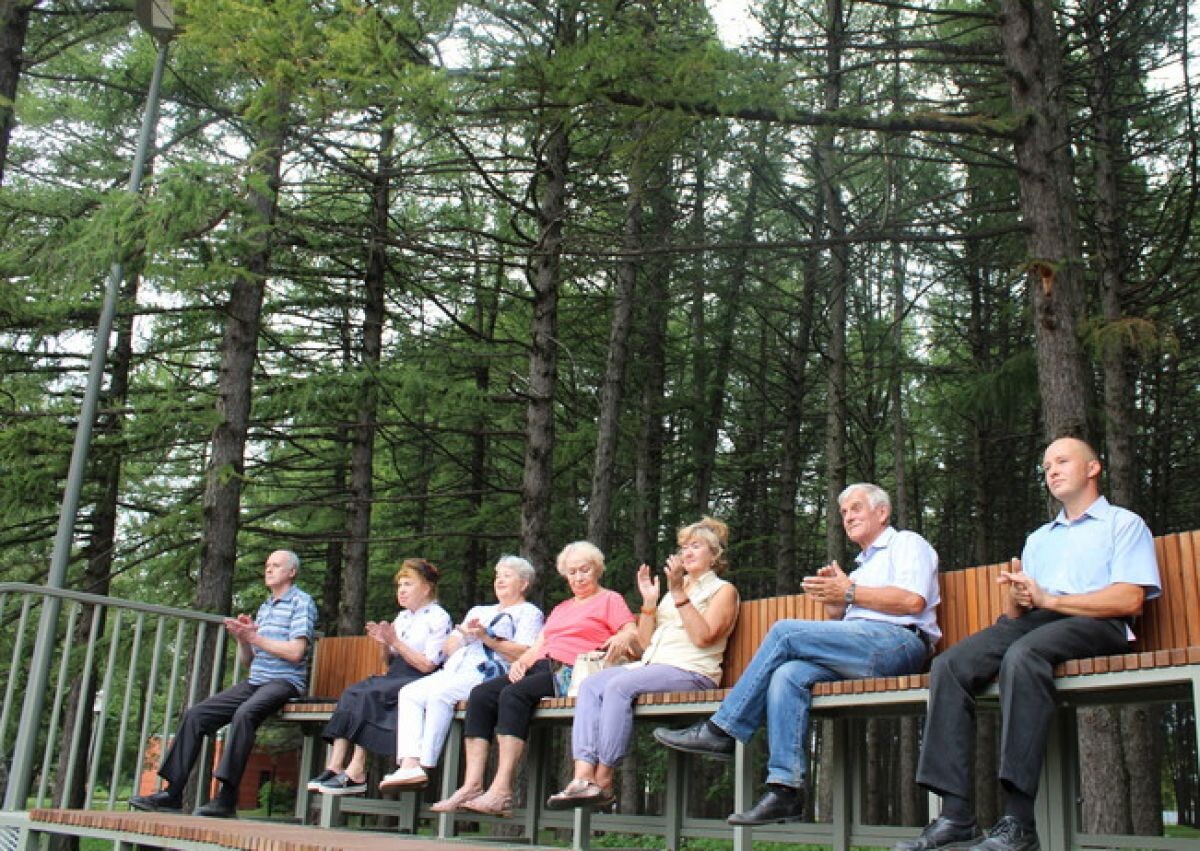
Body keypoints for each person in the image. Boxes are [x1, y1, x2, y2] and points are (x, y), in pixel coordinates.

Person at [895, 437, 1160, 851]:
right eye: (1046, 466)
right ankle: (956, 816)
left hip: (1100, 624)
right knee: (949, 665)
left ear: (1093, 469)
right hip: (1038, 623)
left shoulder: (1123, 524)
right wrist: (1018, 597)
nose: (1051, 470)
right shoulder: (1039, 538)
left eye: (1062, 461)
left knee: (1024, 655)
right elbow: (1019, 614)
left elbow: (1129, 600)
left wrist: (1051, 600)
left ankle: (1019, 821)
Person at [654, 483, 940, 826]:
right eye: (844, 512)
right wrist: (836, 601)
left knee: (784, 631)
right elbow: (850, 617)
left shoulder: (907, 543)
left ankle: (722, 731)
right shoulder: (861, 567)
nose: (848, 517)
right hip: (863, 652)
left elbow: (912, 601)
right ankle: (785, 790)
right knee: (787, 674)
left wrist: (849, 590)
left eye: (856, 508)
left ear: (882, 512)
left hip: (901, 644)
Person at [430, 541, 637, 817]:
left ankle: (502, 791)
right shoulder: (562, 608)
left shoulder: (609, 599)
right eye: (572, 572)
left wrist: (622, 636)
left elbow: (631, 631)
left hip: (572, 672)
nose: (578, 577)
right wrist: (523, 663)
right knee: (481, 695)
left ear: (597, 570)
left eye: (584, 570)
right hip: (542, 666)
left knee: (513, 695)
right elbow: (541, 643)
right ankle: (472, 785)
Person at [545, 517, 740, 810]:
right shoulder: (676, 589)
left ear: (715, 555)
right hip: (655, 667)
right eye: (683, 546)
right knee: (591, 685)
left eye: (695, 546)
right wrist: (649, 603)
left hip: (693, 672)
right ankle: (583, 778)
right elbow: (645, 645)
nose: (686, 552)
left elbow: (703, 637)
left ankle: (604, 781)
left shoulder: (723, 591)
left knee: (619, 687)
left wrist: (677, 593)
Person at [129, 549, 318, 818]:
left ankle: (226, 799)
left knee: (245, 714)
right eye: (267, 565)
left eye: (276, 565)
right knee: (196, 715)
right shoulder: (265, 607)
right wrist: (243, 639)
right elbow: (249, 662)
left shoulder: (301, 602)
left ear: (291, 572)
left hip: (285, 681)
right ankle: (173, 793)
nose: (269, 569)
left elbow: (296, 652)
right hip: (256, 681)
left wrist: (255, 638)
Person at [377, 555, 544, 790]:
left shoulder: (528, 613)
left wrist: (489, 638)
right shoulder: (479, 610)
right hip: (455, 668)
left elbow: (525, 653)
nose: (500, 580)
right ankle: (409, 763)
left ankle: (424, 765)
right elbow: (447, 648)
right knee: (410, 693)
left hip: (486, 673)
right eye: (497, 576)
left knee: (440, 696)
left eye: (507, 576)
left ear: (524, 583)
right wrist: (464, 635)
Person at [308, 558, 452, 795]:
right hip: (396, 675)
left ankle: (356, 770)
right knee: (353, 692)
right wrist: (385, 644)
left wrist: (394, 641)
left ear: (426, 588)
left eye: (408, 584)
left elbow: (428, 664)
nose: (402, 590)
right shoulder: (403, 617)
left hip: (420, 679)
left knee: (369, 694)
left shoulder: (438, 617)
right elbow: (389, 661)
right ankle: (334, 766)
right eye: (399, 585)